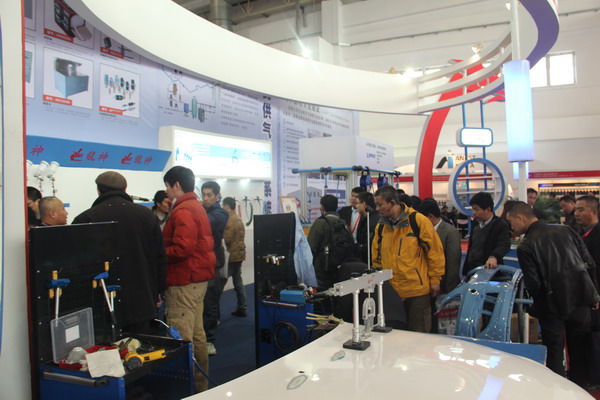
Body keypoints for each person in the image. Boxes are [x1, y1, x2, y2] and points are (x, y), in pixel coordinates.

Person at [507, 201, 600, 387]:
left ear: (520, 218)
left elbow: (534, 284)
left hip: (552, 305)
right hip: (581, 298)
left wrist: (538, 307)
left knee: (554, 351)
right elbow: (589, 263)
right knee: (579, 348)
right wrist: (594, 294)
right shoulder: (566, 230)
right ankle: (580, 388)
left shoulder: (526, 245)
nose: (512, 227)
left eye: (511, 223)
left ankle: (557, 391)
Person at [72, 171, 167, 335]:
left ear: (99, 190)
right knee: (141, 346)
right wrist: (159, 290)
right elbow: (159, 255)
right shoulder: (146, 216)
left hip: (102, 302)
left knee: (107, 347)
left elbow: (77, 266)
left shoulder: (85, 219)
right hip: (142, 298)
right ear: (124, 190)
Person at [162, 166, 215, 393]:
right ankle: (200, 387)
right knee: (197, 334)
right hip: (196, 279)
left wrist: (158, 252)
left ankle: (185, 389)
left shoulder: (183, 210)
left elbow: (182, 248)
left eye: (167, 185)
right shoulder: (195, 206)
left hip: (184, 280)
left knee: (182, 337)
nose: (166, 190)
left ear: (176, 185)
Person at [372, 185, 445, 332]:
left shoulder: (418, 221)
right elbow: (376, 256)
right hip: (391, 291)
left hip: (416, 292)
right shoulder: (381, 226)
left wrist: (435, 280)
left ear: (393, 203)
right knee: (394, 335)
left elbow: (434, 253)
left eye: (380, 204)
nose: (377, 209)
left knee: (419, 335)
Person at [201, 181, 229, 356]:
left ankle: (209, 340)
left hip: (213, 263)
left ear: (217, 196)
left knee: (210, 302)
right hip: (202, 262)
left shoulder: (220, 213)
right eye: (203, 194)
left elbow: (206, 223)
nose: (205, 198)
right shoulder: (204, 210)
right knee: (206, 302)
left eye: (209, 195)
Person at [307, 194, 351, 289]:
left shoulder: (320, 223)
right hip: (340, 269)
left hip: (322, 270)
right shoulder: (344, 223)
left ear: (322, 208)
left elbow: (311, 247)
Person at [417, 200, 461, 295]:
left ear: (430, 217)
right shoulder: (423, 231)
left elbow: (453, 264)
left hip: (444, 286)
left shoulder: (450, 232)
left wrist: (449, 290)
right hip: (426, 284)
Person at [462, 192, 510, 276]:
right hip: (472, 271)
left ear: (488, 209)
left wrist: (494, 257)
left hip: (489, 272)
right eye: (472, 209)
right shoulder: (475, 224)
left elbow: (504, 244)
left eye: (476, 209)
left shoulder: (500, 225)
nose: (473, 212)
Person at [222, 197, 247, 317]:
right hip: (239, 254)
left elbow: (227, 239)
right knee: (238, 282)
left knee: (220, 282)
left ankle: (213, 313)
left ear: (227, 207)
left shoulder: (229, 220)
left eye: (223, 207)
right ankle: (242, 307)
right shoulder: (238, 218)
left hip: (232, 255)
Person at [575, 196, 600, 281]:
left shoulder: (597, 234)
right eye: (575, 210)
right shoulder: (579, 232)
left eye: (580, 210)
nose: (576, 214)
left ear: (594, 212)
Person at [355, 191, 380, 264]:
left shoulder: (373, 220)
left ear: (364, 204)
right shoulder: (364, 218)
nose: (356, 206)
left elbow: (370, 244)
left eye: (357, 203)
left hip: (370, 259)